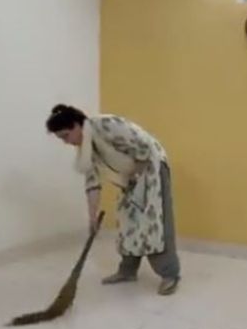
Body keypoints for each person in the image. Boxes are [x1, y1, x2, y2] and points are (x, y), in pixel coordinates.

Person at [46, 104, 180, 296]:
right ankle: (127, 271)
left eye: (65, 136)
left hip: (151, 165)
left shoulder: (106, 124)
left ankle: (170, 275)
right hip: (130, 176)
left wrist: (139, 177)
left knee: (154, 222)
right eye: (61, 139)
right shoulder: (86, 149)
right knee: (128, 221)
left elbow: (142, 143)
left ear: (76, 125)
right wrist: (92, 217)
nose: (66, 142)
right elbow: (92, 183)